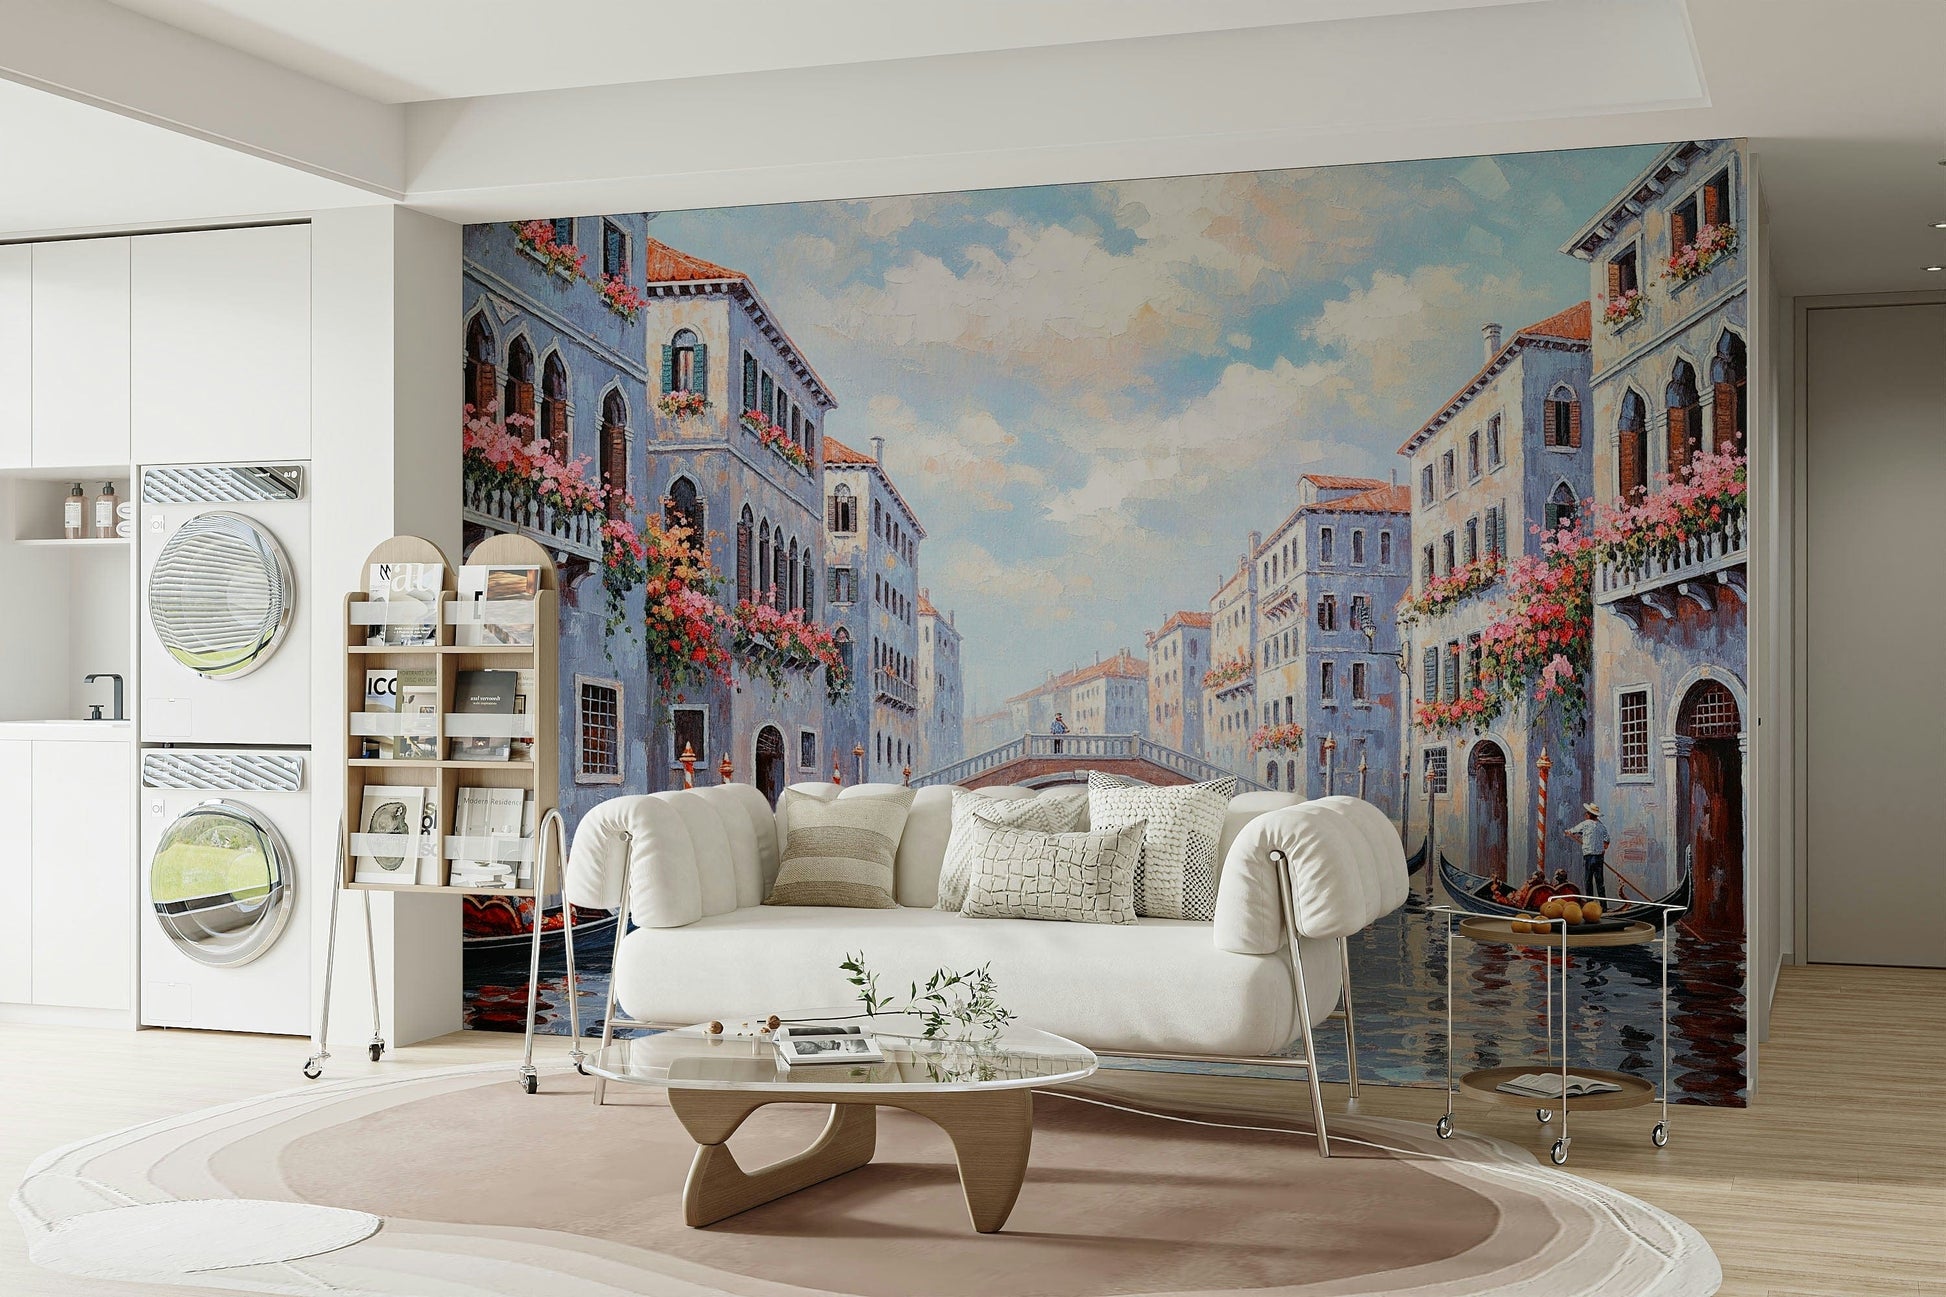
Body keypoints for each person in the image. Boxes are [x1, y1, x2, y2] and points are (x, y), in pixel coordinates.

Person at [1563, 803, 1610, 899]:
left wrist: (1568, 832)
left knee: (1588, 881)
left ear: (1588, 814)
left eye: (1587, 813)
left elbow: (1573, 830)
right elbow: (1607, 839)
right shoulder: (1601, 826)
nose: (1586, 814)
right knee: (1600, 882)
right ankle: (1603, 906)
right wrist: (1603, 847)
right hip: (1599, 857)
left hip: (1589, 856)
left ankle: (1590, 903)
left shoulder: (1585, 824)